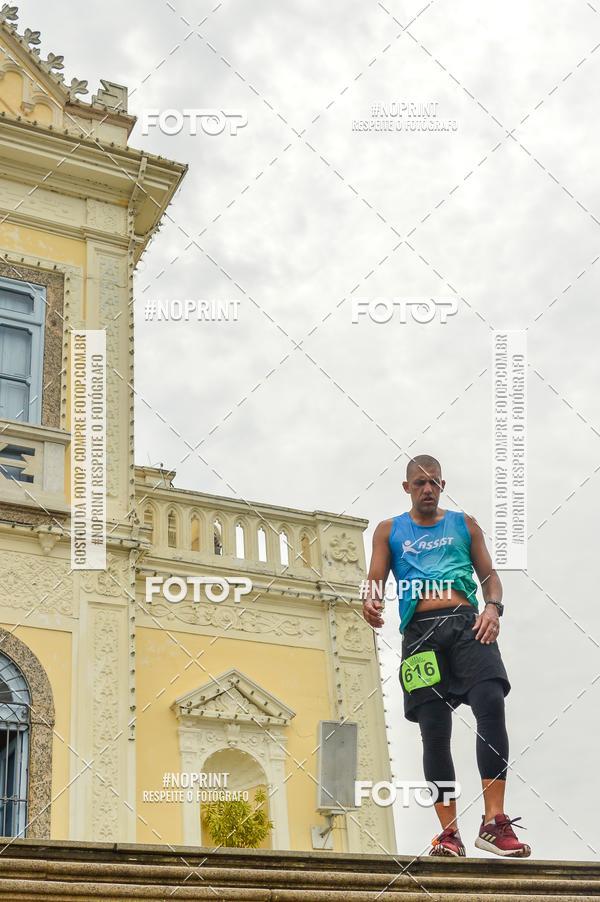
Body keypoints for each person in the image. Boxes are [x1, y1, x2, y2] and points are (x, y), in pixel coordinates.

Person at [362, 454, 531, 858]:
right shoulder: (389, 530)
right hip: (420, 634)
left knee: (490, 702)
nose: (427, 489)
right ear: (407, 488)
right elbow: (375, 580)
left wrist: (493, 608)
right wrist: (370, 603)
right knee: (434, 731)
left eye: (434, 482)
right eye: (419, 483)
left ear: (442, 485)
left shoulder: (464, 524)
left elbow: (489, 575)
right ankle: (449, 834)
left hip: (468, 624)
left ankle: (493, 822)